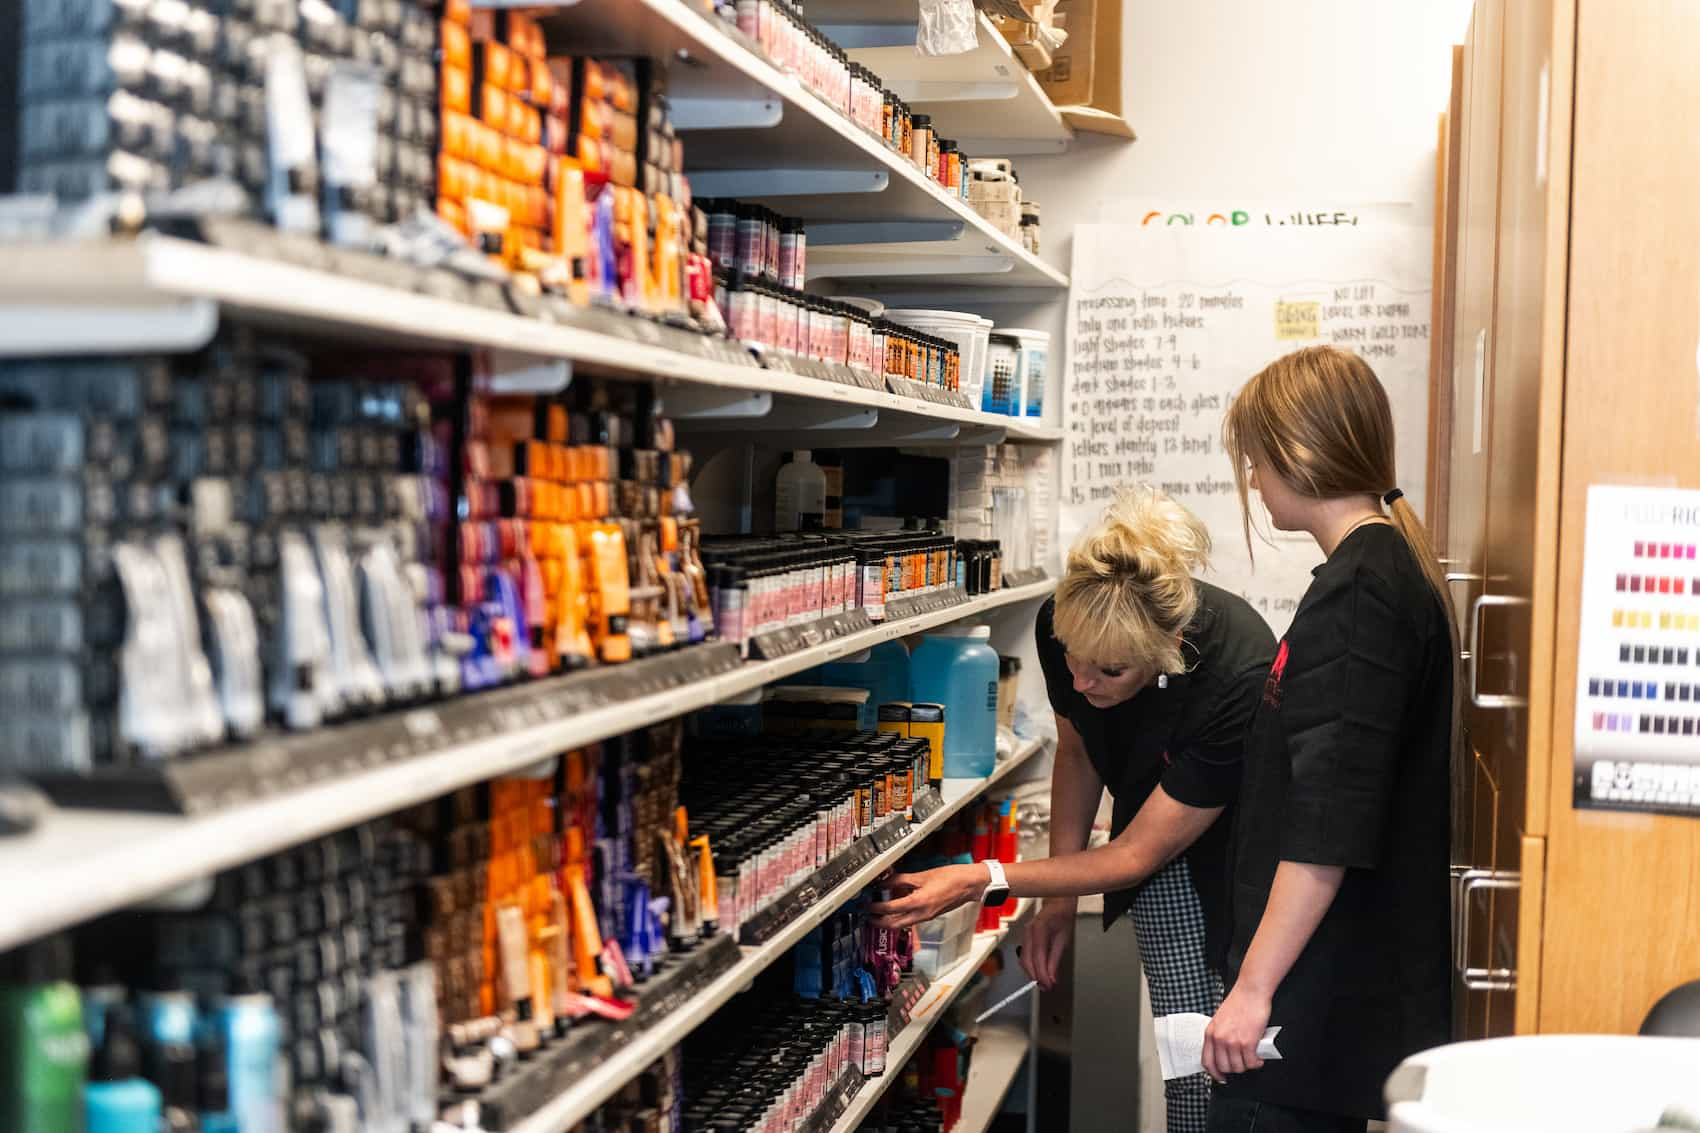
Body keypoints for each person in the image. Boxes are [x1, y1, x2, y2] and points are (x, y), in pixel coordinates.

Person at [871, 485, 1275, 1133]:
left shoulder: (1234, 671)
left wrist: (986, 876)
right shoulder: (1068, 624)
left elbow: (1137, 853)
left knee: (1231, 1058)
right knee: (1186, 1055)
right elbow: (1079, 754)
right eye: (1073, 663)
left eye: (1109, 673)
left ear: (1167, 649)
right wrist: (1056, 902)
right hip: (1160, 834)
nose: (1083, 683)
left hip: (1248, 853)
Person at [1201, 345, 1454, 1132]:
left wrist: (1250, 988)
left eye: (1256, 460)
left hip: (1308, 1011)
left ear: (1298, 455)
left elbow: (1326, 826)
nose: (1253, 481)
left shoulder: (1360, 593)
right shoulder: (1373, 569)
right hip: (1317, 998)